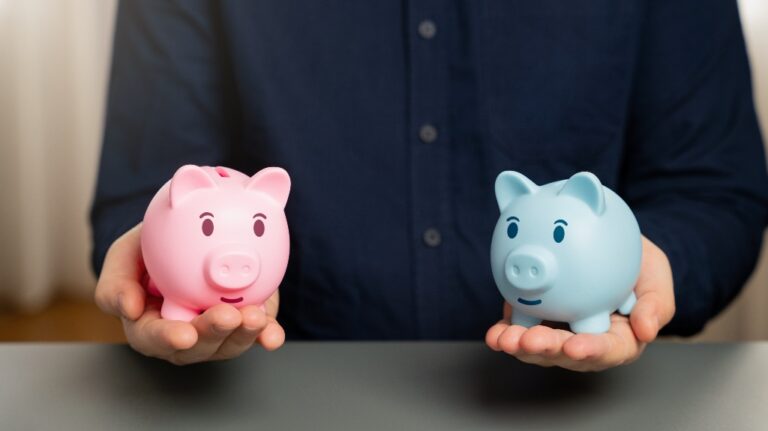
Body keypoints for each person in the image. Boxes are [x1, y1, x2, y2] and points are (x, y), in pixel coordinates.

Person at [91, 0, 768, 370]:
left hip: (591, 405)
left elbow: (714, 190)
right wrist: (153, 269)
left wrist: (644, 265)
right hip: (267, 387)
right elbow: (147, 191)